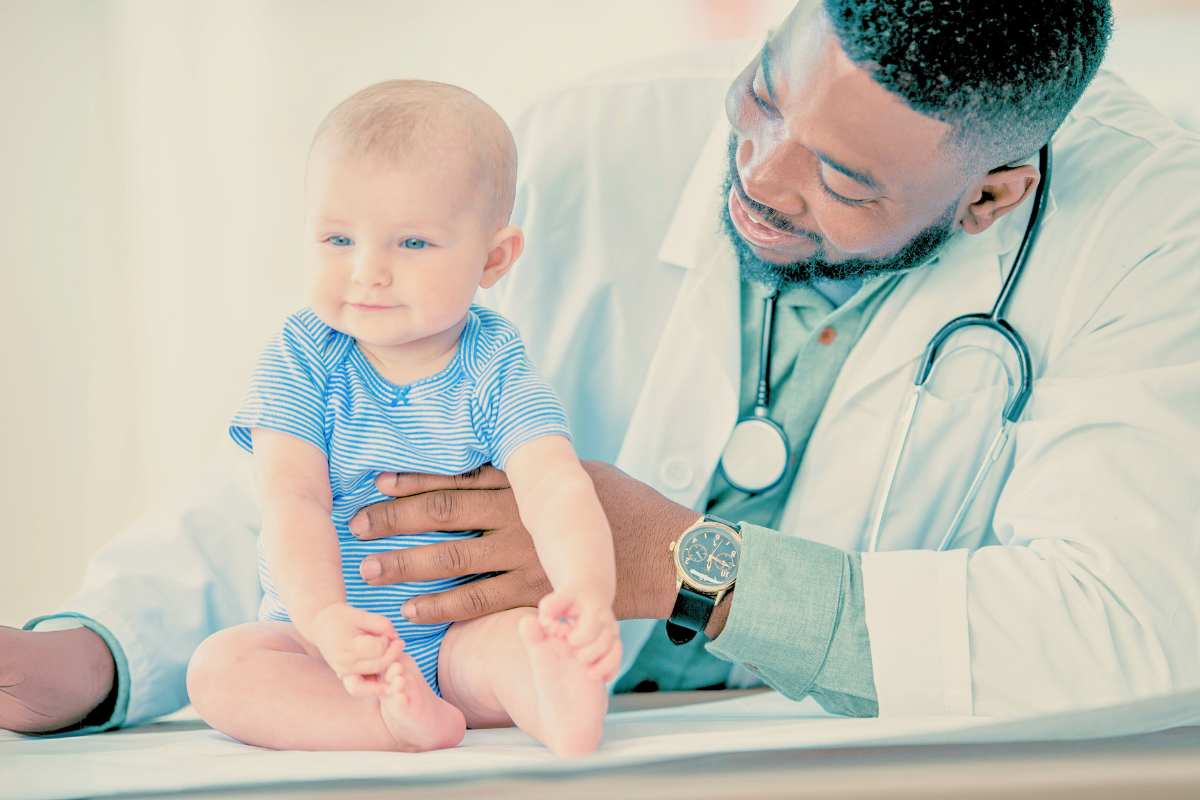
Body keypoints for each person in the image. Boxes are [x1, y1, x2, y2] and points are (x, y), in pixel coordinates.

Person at [5, 0, 1200, 735]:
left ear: (995, 192)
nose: (762, 176)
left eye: (842, 182)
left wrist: (686, 566)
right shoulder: (588, 140)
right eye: (763, 95)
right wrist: (97, 646)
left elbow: (1135, 618)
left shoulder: (1152, 227)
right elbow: (339, 453)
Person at [183, 81, 620, 757]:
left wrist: (586, 589)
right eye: (337, 238)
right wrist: (327, 621)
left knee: (519, 643)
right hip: (325, 641)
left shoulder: (494, 363)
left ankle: (559, 700)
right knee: (221, 670)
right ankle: (388, 722)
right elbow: (292, 501)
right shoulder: (304, 357)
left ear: (493, 258)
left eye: (411, 243)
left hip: (457, 639)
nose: (367, 272)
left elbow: (555, 486)